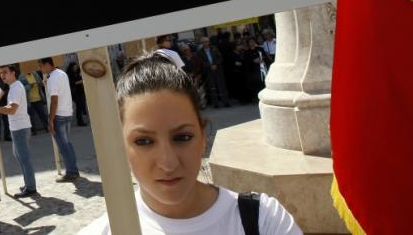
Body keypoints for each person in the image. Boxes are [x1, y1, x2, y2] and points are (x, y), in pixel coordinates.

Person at [80, 53, 303, 235]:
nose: (168, 163)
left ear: (203, 137)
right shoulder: (103, 231)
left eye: (182, 137)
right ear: (121, 147)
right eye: (144, 141)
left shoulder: (264, 220)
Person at [0, 65, 37, 198]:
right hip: (18, 127)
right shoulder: (14, 87)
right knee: (19, 156)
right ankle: (28, 183)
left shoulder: (16, 87)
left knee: (24, 158)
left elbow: (12, 109)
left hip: (20, 128)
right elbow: (11, 107)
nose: (2, 75)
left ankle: (31, 187)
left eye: (5, 72)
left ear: (13, 73)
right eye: (0, 73)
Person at [40, 57, 79, 182]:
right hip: (67, 112)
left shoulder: (53, 78)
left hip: (59, 115)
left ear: (47, 65)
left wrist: (50, 119)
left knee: (63, 146)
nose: (40, 68)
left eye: (41, 66)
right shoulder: (62, 73)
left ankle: (72, 172)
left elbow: (54, 100)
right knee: (67, 143)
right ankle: (73, 169)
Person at [197, 37, 230, 108]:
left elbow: (220, 57)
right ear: (202, 43)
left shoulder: (214, 48)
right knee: (212, 87)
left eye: (207, 42)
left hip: (218, 69)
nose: (205, 43)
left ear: (209, 42)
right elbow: (201, 62)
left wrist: (216, 64)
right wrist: (210, 66)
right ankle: (216, 103)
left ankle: (226, 102)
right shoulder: (200, 52)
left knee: (222, 86)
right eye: (204, 42)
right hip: (209, 71)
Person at [20, 69, 48, 133]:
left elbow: (41, 83)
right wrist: (30, 86)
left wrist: (40, 83)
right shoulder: (22, 76)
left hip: (38, 98)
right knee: (31, 117)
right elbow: (21, 88)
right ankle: (33, 131)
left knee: (43, 114)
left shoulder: (35, 74)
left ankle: (47, 127)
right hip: (29, 100)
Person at [66, 61, 88, 126]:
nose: (76, 68)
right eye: (74, 67)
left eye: (76, 66)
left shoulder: (78, 72)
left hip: (80, 91)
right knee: (79, 106)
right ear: (71, 67)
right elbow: (72, 83)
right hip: (74, 93)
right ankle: (80, 121)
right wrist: (80, 81)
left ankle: (81, 120)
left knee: (80, 106)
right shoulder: (69, 74)